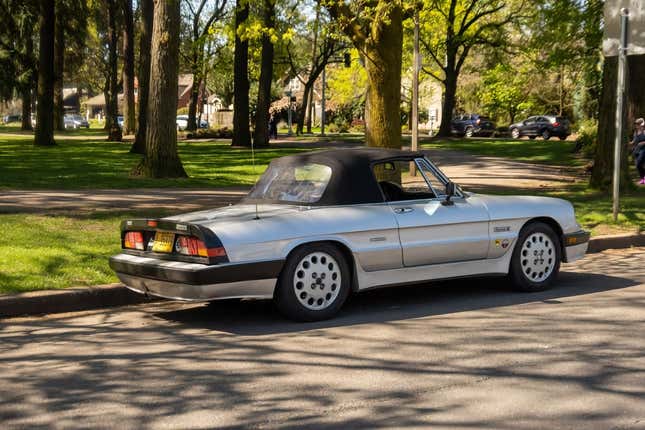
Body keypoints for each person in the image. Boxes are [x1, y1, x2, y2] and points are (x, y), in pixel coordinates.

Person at [631, 118, 645, 184]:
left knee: (639, 163)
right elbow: (634, 141)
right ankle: (643, 179)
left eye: (637, 124)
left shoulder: (644, 131)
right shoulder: (635, 132)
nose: (636, 125)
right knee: (638, 165)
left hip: (643, 150)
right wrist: (629, 143)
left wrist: (643, 142)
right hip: (637, 150)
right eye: (636, 124)